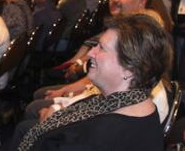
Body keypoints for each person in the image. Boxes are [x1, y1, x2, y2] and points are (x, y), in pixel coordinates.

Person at [12, 14, 171, 150]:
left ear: (129, 69)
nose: (91, 53)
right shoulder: (135, 101)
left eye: (102, 48)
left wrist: (47, 124)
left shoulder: (97, 139)